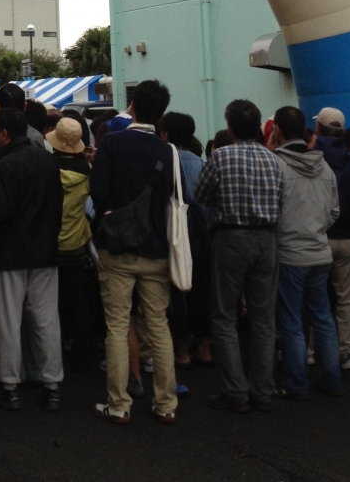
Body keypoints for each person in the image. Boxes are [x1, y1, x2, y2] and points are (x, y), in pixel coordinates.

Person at [90, 79, 177, 424]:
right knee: (158, 325)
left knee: (116, 324)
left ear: (133, 107)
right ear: (162, 114)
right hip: (157, 249)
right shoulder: (167, 151)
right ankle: (166, 404)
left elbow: (98, 191)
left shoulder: (112, 143)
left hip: (117, 248)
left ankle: (119, 404)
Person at [195, 99, 283, 413]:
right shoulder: (273, 160)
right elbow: (281, 199)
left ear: (229, 128)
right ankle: (262, 390)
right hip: (267, 239)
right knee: (263, 319)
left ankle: (235, 391)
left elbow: (200, 195)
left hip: (231, 236)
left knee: (224, 316)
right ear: (259, 127)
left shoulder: (220, 156)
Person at [0, 104, 63, 411]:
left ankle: (10, 386)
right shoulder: (48, 159)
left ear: (4, 134)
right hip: (45, 251)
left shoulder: (6, 163)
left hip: (10, 251)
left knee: (8, 320)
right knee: (46, 319)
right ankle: (52, 386)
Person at [270, 105, 341, 399]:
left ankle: (297, 383)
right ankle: (332, 379)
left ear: (278, 131)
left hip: (289, 253)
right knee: (323, 317)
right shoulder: (325, 167)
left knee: (291, 321)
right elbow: (334, 212)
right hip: (320, 252)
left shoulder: (276, 165)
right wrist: (316, 228)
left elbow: (270, 211)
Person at [313, 107, 350, 369]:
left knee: (314, 295)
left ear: (318, 129)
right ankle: (348, 352)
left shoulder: (312, 161)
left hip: (318, 237)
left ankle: (310, 349)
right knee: (349, 298)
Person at [159, 111, 212, 367]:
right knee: (202, 292)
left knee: (177, 293)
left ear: (165, 135)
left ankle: (181, 351)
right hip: (202, 235)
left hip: (176, 235)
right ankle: (204, 347)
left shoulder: (165, 162)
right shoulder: (202, 163)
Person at [46, 116, 94, 371]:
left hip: (50, 242)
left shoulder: (47, 168)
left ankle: (55, 346)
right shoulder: (86, 170)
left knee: (50, 301)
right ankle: (82, 347)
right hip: (76, 243)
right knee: (78, 298)